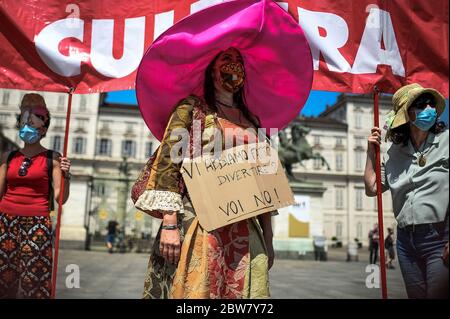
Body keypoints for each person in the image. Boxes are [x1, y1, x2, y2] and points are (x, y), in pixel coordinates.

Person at [134, 0, 312, 299]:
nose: (234, 66)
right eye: (227, 59)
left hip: (246, 228)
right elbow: (168, 164)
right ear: (212, 69)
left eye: (239, 62)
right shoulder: (191, 109)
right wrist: (168, 225)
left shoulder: (253, 121)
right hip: (201, 225)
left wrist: (268, 238)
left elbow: (264, 179)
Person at [364, 83, 449, 299]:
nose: (429, 107)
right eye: (421, 104)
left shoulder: (447, 141)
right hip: (405, 241)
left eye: (431, 103)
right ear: (407, 115)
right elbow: (372, 188)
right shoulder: (394, 153)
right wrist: (370, 153)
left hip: (439, 237)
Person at [0, 93, 71, 299]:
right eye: (24, 120)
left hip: (37, 222)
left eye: (32, 121)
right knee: (4, 278)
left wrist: (67, 175)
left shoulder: (53, 158)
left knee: (36, 279)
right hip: (6, 221)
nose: (27, 125)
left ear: (43, 128)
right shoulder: (9, 156)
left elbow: (60, 198)